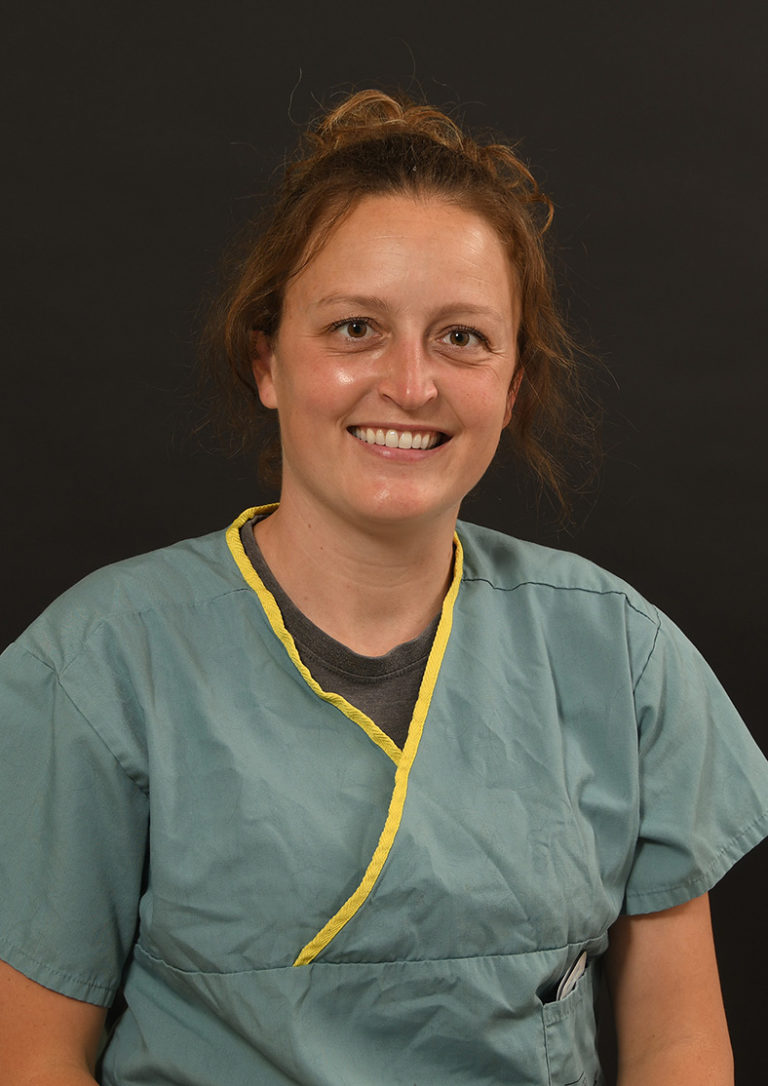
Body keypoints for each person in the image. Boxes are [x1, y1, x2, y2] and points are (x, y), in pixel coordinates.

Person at [1, 88, 766, 1086]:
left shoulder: (622, 657)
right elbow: (33, 1055)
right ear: (267, 361)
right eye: (356, 327)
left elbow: (679, 1046)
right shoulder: (97, 666)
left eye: (462, 337)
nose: (411, 384)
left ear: (513, 387)